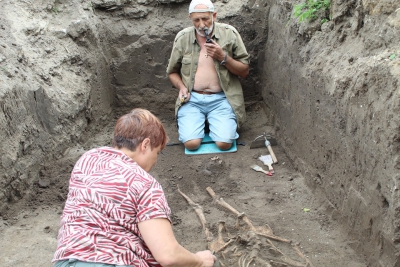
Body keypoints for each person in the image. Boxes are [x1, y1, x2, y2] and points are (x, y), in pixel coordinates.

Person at [52, 108, 216, 267]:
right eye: (157, 152)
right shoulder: (144, 183)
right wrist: (199, 261)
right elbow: (168, 255)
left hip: (66, 260)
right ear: (145, 145)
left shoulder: (87, 160)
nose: (155, 161)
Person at [166, 0, 250, 151]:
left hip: (222, 99)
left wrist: (223, 57)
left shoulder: (229, 34)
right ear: (190, 18)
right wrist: (182, 87)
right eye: (196, 20)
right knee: (191, 145)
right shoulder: (183, 38)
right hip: (192, 99)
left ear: (214, 16)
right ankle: (203, 124)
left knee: (224, 144)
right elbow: (172, 72)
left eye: (205, 18)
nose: (201, 25)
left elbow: (244, 71)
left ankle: (214, 124)